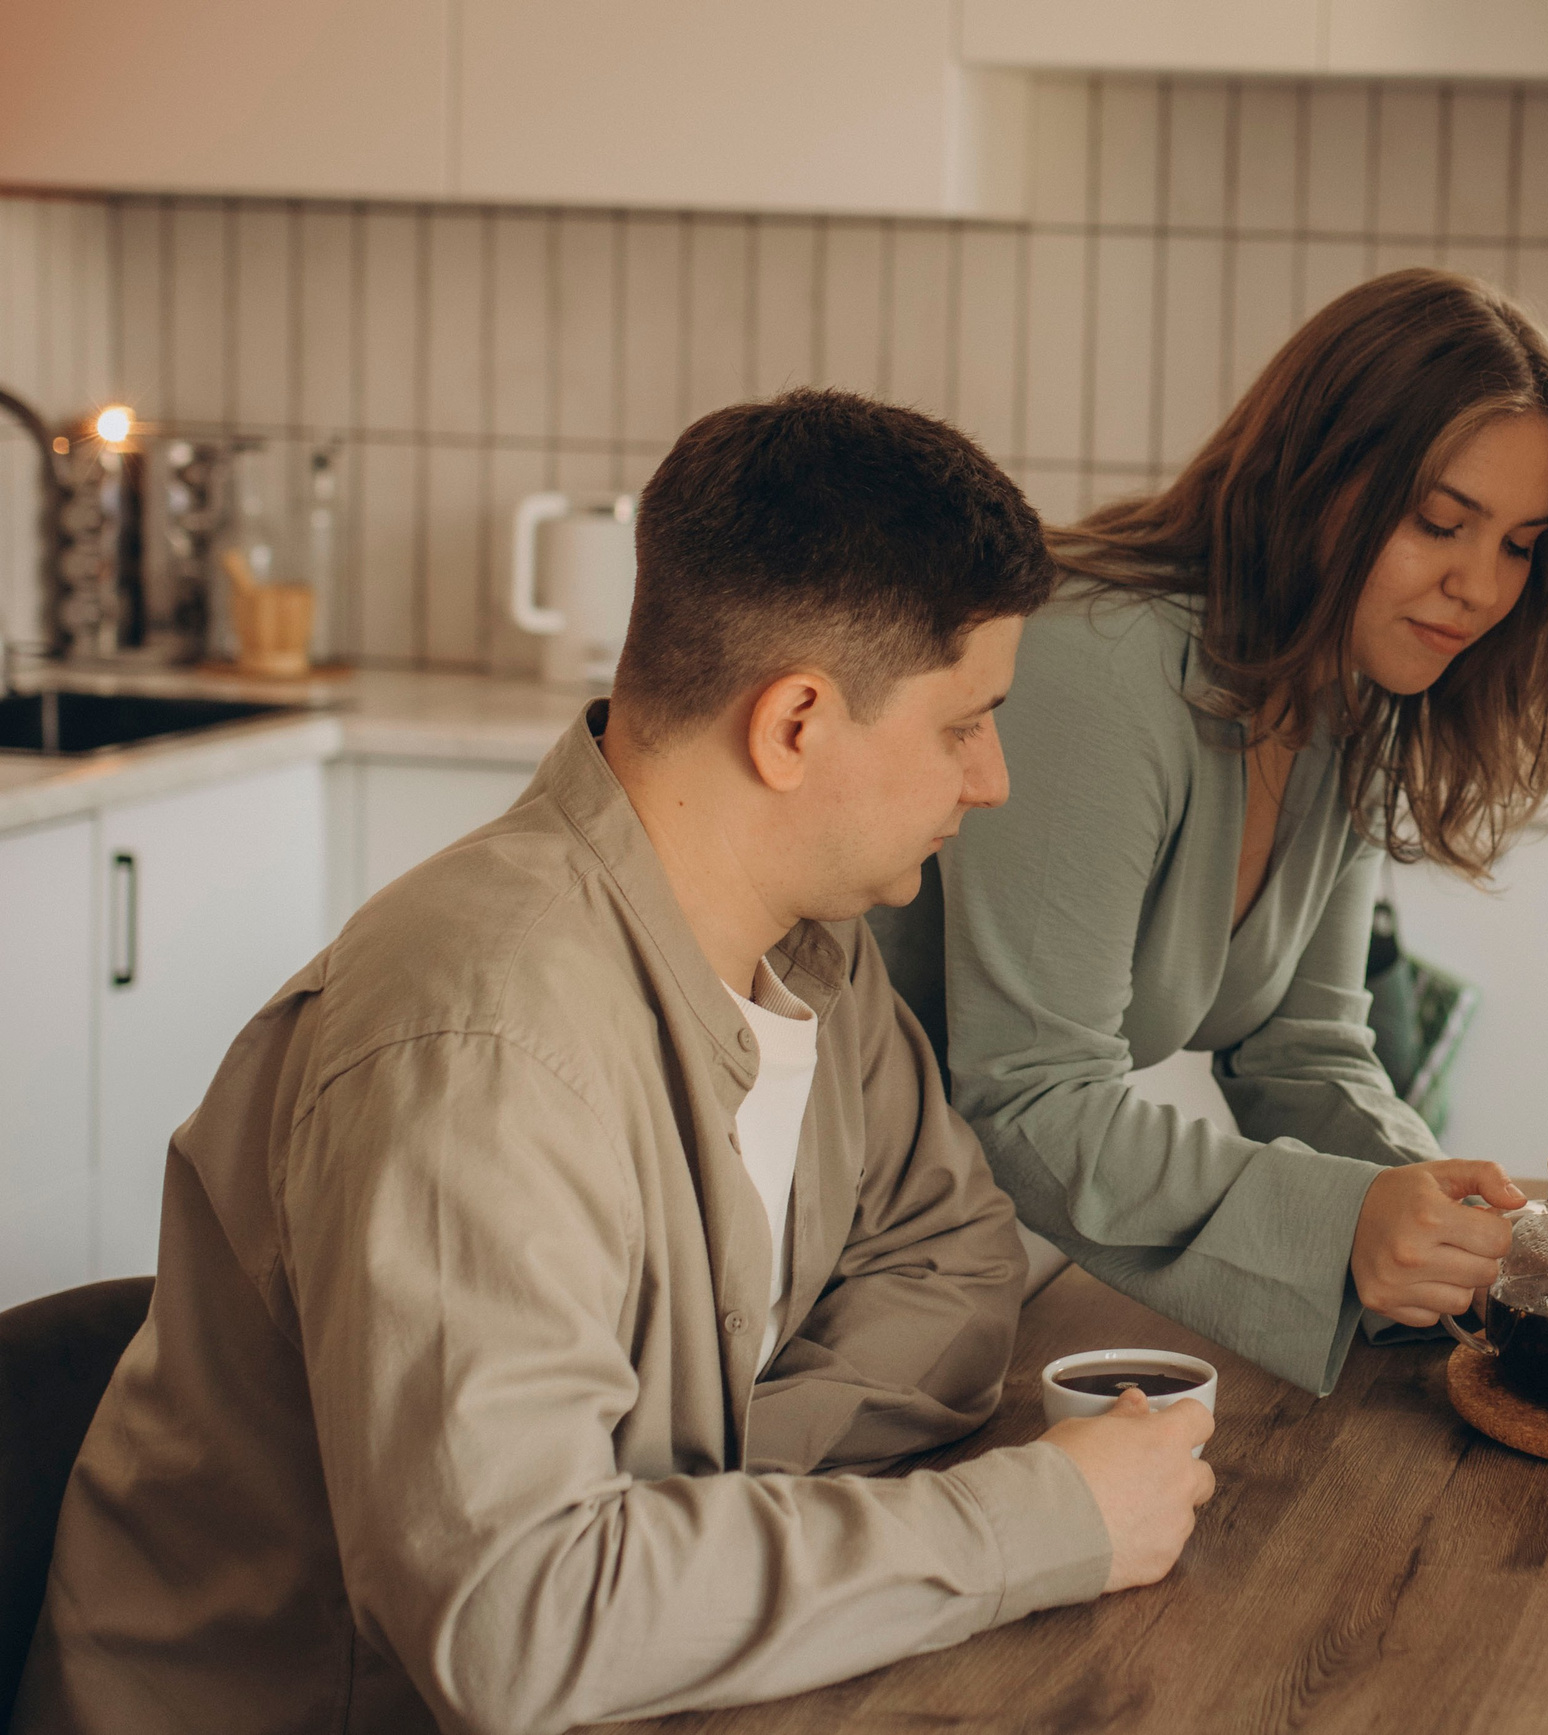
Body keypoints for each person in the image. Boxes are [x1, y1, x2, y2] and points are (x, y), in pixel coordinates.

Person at [15, 391, 1216, 1735]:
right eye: (962, 722)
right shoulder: (482, 1041)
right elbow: (522, 1619)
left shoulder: (811, 938)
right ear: (797, 724)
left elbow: (955, 1256)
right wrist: (1034, 1518)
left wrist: (690, 1527)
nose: (993, 778)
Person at [871, 269, 1548, 1393]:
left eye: (1519, 544)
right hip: (825, 1228)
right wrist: (1344, 1219)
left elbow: (1299, 1047)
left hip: (965, 1238)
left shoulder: (1353, 688)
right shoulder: (1097, 665)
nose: (1478, 586)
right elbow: (1027, 1097)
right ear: (1313, 476)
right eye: (1438, 524)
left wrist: (1469, 1234)